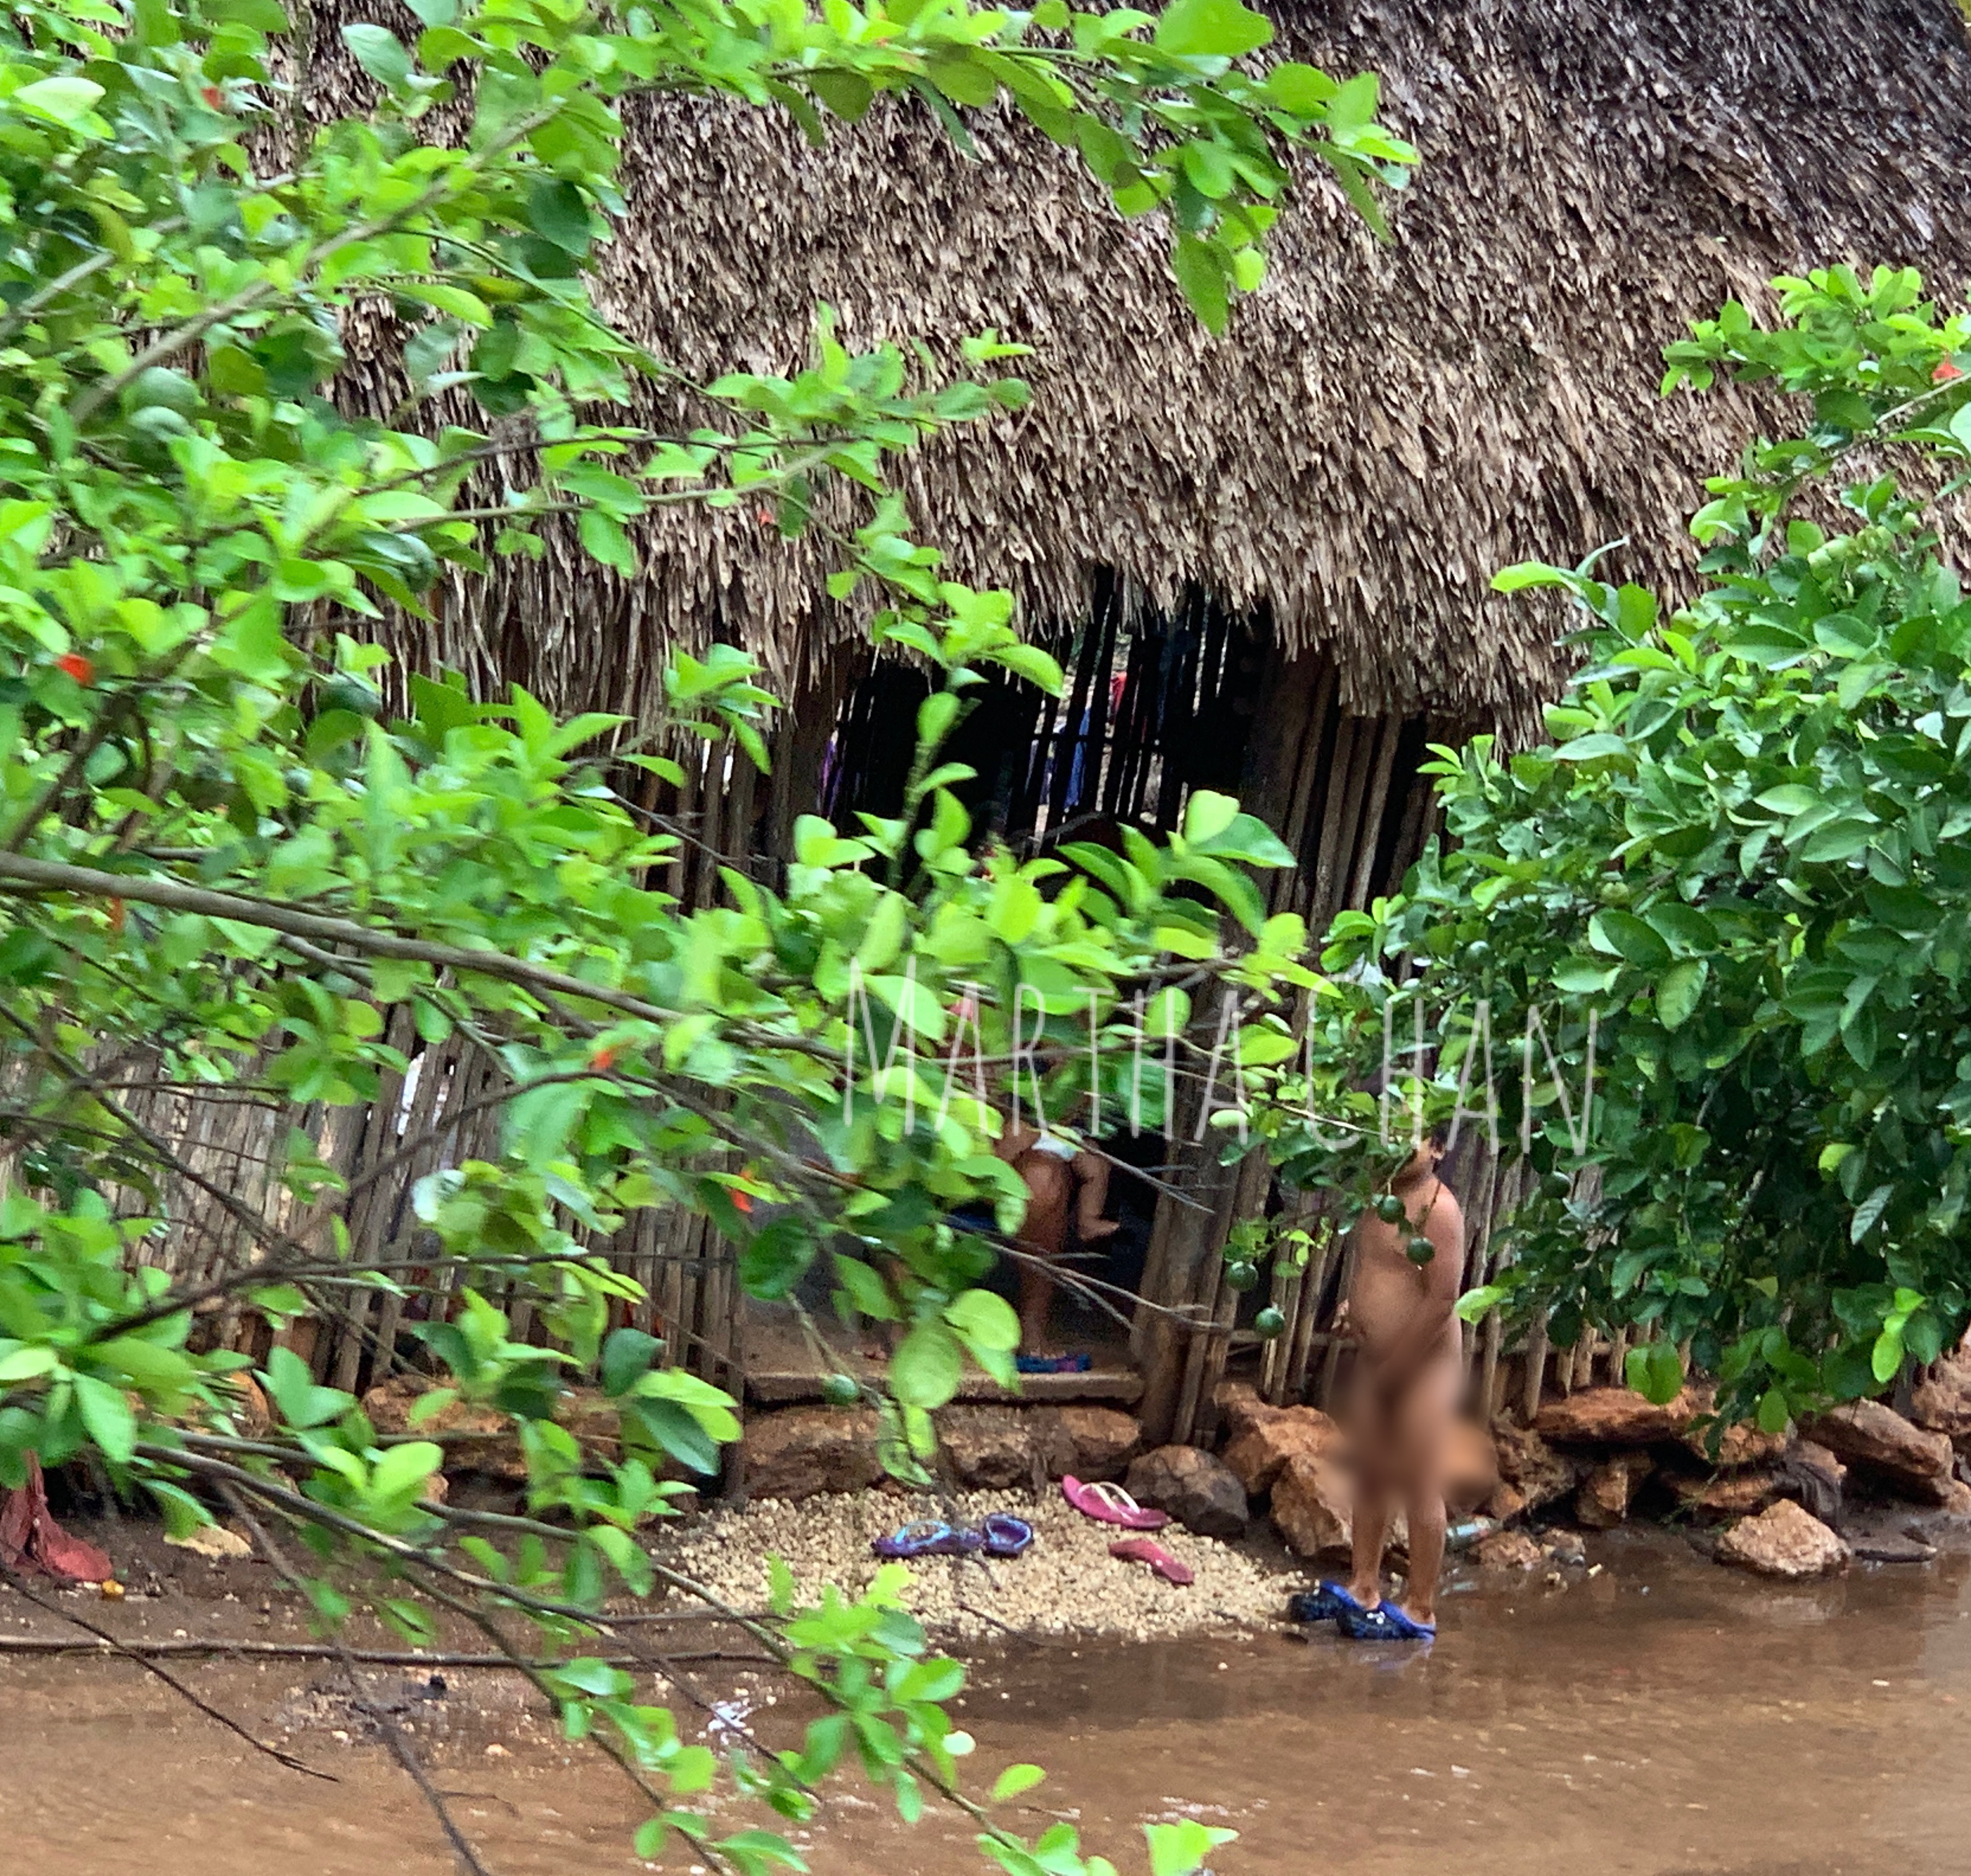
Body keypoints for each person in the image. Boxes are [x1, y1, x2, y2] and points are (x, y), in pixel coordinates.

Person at [1305, 1125, 1465, 1642]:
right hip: (1379, 1360)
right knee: (1371, 1471)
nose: (1397, 1146)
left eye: (1412, 1138)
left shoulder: (1437, 1211)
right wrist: (1357, 1308)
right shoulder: (1378, 1200)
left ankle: (1420, 1607)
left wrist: (1396, 1370)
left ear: (1438, 1148)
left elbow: (1441, 1300)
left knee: (1418, 1479)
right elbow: (1380, 1269)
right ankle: (1363, 1584)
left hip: (1425, 1366)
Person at [996, 1115, 1117, 1367]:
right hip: (999, 1136)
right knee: (1017, 1148)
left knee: (1088, 1168)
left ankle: (1089, 1219)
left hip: (1056, 1135)